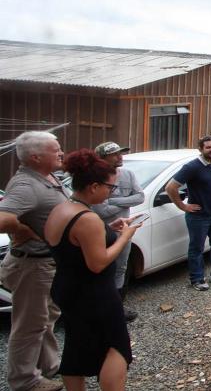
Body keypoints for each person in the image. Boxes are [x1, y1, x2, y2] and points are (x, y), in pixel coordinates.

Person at [44, 149, 142, 391]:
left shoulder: (62, 208)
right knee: (116, 347)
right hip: (94, 293)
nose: (112, 192)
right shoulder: (87, 218)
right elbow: (98, 263)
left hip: (67, 288)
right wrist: (123, 237)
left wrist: (108, 229)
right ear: (93, 187)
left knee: (77, 345)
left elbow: (74, 242)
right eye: (110, 188)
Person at [0, 131, 68, 391]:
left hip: (45, 264)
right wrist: (22, 230)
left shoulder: (45, 176)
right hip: (32, 266)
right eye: (56, 149)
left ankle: (50, 366)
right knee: (29, 325)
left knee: (46, 317)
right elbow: (3, 217)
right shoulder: (26, 185)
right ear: (36, 156)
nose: (61, 152)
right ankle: (25, 380)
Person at [166, 136, 211, 291]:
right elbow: (170, 187)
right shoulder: (191, 167)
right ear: (200, 149)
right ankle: (197, 279)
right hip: (198, 217)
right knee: (196, 249)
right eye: (208, 147)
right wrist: (183, 206)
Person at [92, 141, 145, 323]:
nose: (120, 156)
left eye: (120, 153)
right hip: (100, 232)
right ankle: (100, 309)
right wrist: (125, 201)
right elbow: (101, 211)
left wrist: (113, 201)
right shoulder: (95, 178)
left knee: (121, 268)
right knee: (102, 270)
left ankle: (117, 308)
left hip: (123, 230)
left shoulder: (128, 174)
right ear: (102, 159)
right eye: (114, 154)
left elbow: (140, 197)